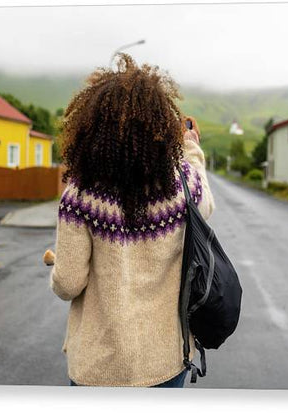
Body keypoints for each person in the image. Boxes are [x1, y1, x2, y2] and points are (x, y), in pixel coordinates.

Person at [46, 53, 215, 388]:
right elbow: (206, 203)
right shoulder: (182, 185)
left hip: (98, 369)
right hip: (166, 363)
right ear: (160, 130)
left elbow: (68, 284)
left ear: (91, 130)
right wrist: (192, 148)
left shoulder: (80, 196)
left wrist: (56, 270)